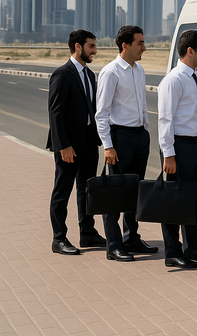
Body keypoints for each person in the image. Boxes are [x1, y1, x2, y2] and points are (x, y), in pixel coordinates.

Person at [95, 25, 158, 262]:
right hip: (120, 137)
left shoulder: (139, 70)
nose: (144, 47)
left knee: (136, 190)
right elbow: (101, 114)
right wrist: (108, 146)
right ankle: (113, 244)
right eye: (140, 43)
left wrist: (146, 132)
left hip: (140, 135)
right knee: (115, 192)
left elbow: (142, 105)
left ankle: (131, 237)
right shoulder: (111, 72)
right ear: (125, 45)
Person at [157, 30, 197, 269]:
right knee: (174, 200)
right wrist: (168, 154)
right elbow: (165, 120)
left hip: (196, 145)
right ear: (190, 51)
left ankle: (193, 245)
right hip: (178, 147)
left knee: (195, 198)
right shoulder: (173, 80)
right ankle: (172, 251)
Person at [46, 30, 106, 255]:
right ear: (78, 47)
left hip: (89, 144)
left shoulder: (90, 75)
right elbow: (55, 114)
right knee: (62, 192)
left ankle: (87, 233)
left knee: (87, 190)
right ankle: (58, 238)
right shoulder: (62, 74)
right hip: (69, 146)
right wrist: (63, 145)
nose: (95, 50)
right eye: (91, 46)